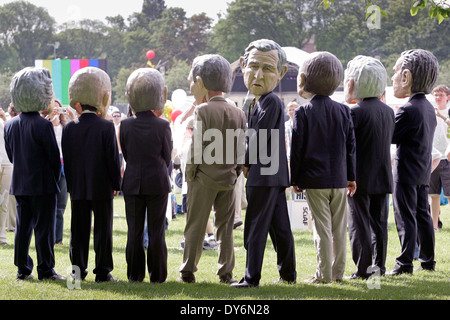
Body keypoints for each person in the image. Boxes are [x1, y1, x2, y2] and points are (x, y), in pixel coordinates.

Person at [232, 39, 296, 288]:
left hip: (264, 175)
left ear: (281, 73)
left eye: (267, 69)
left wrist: (246, 164)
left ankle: (251, 277)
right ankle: (288, 274)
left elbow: (260, 137)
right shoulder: (257, 102)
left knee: (256, 227)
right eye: (253, 66)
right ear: (242, 66)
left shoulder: (269, 102)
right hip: (273, 176)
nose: (258, 75)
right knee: (280, 228)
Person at [178, 54, 246, 284]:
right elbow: (240, 148)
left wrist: (190, 173)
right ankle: (225, 272)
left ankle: (188, 270)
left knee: (195, 226)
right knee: (225, 229)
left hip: (203, 177)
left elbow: (197, 147)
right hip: (228, 177)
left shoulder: (203, 110)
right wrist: (235, 172)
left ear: (201, 82)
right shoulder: (239, 112)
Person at [290, 51, 357, 284]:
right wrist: (351, 176)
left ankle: (323, 274)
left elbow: (296, 149)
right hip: (338, 178)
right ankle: (338, 273)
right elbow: (350, 147)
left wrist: (295, 178)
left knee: (321, 230)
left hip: (314, 180)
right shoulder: (343, 111)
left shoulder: (303, 112)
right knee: (339, 230)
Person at [4, 67, 65, 281]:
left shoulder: (10, 125)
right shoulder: (44, 125)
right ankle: (45, 269)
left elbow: (12, 155)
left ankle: (22, 267)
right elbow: (53, 158)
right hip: (43, 185)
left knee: (22, 229)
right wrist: (55, 178)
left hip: (20, 183)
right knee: (44, 230)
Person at [62, 67, 121, 282]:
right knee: (103, 231)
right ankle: (103, 272)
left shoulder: (69, 128)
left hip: (77, 186)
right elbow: (113, 158)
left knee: (77, 232)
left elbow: (67, 160)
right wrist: (116, 183)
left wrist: (70, 185)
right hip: (102, 185)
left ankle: (77, 272)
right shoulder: (106, 127)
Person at [343, 55, 394, 279]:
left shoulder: (354, 112)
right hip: (382, 175)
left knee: (359, 224)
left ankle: (363, 268)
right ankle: (379, 267)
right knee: (379, 224)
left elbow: (349, 146)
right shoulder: (388, 111)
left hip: (360, 176)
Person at [119, 68, 172, 283]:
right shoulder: (163, 125)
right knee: (157, 231)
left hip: (133, 182)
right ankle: (157, 275)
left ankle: (135, 274)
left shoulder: (125, 124)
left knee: (135, 231)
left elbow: (127, 154)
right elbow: (167, 156)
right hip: (157, 181)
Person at [389, 49, 439, 275]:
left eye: (395, 72)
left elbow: (390, 136)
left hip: (406, 172)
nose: (392, 78)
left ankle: (405, 263)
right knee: (423, 215)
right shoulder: (428, 107)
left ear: (406, 76)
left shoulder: (408, 109)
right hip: (422, 171)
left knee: (405, 217)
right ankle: (428, 261)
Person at [41, 99, 71, 245]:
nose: (56, 112)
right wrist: (47, 119)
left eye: (59, 109)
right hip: (48, 168)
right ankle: (46, 237)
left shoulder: (66, 127)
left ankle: (58, 239)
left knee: (60, 205)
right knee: (47, 205)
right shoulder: (44, 127)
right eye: (54, 109)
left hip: (63, 168)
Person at [429, 85, 450, 231]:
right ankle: (434, 227)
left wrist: (441, 116)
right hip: (433, 157)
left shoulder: (447, 113)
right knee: (433, 195)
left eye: (441, 95)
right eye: (435, 94)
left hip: (448, 158)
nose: (437, 97)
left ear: (448, 97)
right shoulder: (429, 112)